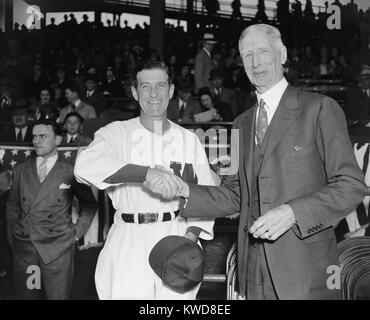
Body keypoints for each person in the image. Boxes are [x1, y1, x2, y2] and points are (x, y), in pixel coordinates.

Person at [144, 24, 367, 300]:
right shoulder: (241, 122)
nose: (255, 61)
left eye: (262, 51)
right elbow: (236, 193)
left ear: (282, 54)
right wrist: (184, 189)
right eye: (247, 54)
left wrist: (293, 213)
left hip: (306, 271)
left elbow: (351, 185)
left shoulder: (320, 109)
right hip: (251, 271)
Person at [74, 60, 215, 300]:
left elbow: (205, 195)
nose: (153, 94)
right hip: (129, 236)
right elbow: (83, 167)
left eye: (160, 85)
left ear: (171, 91)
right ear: (134, 92)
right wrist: (146, 173)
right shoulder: (115, 133)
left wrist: (190, 238)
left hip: (176, 234)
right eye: (145, 86)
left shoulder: (189, 140)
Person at [6, 119, 97, 299]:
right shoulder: (20, 169)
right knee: (27, 296)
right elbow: (13, 204)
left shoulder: (71, 171)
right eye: (34, 137)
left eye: (42, 136)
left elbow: (89, 205)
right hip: (26, 247)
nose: (36, 141)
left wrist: (76, 233)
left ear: (57, 140)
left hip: (58, 248)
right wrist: (13, 233)